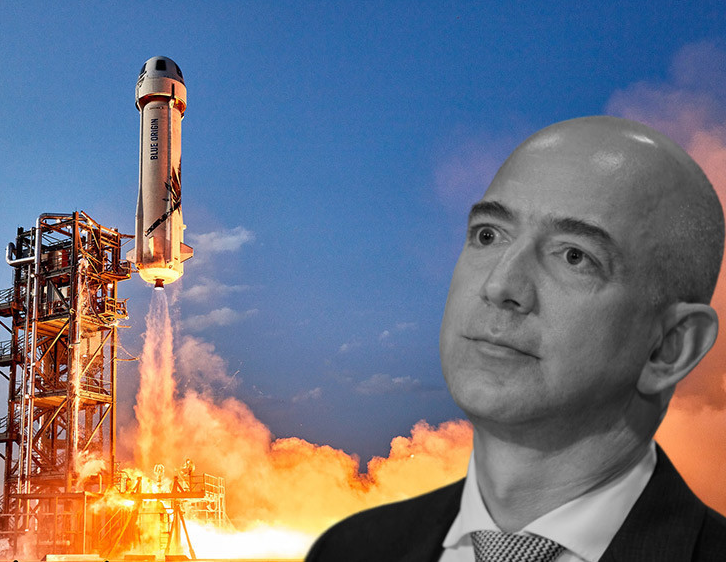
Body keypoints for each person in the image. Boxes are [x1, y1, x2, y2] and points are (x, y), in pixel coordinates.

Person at [306, 116, 726, 562]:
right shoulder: (348, 550)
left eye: (574, 256)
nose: (499, 284)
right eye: (488, 235)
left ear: (670, 347)